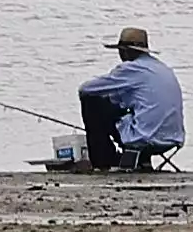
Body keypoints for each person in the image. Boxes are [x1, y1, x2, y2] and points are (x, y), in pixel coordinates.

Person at [78, 25, 184, 170]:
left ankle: (103, 161)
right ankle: (142, 161)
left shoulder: (130, 69)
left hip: (145, 138)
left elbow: (85, 89)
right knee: (140, 112)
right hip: (173, 138)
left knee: (91, 101)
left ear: (125, 51)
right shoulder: (162, 68)